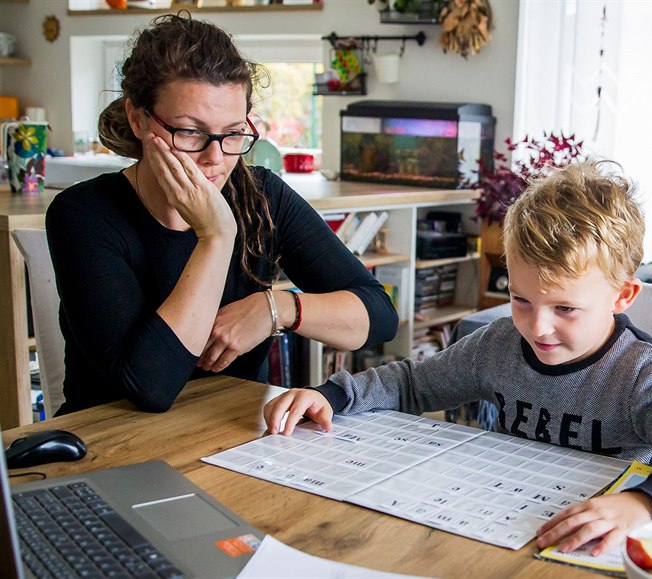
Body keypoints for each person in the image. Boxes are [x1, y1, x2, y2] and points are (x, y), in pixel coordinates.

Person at [263, 161, 652, 555]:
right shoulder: (499, 345)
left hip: (592, 541)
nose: (537, 326)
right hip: (496, 518)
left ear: (623, 296)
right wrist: (330, 393)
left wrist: (645, 502)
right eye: (521, 299)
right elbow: (412, 384)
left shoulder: (643, 376)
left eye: (565, 308)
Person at [46, 14, 398, 415]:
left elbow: (378, 316)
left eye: (232, 133)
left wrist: (276, 309)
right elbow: (150, 389)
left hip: (232, 436)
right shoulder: (84, 214)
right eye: (190, 132)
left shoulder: (262, 195)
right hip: (114, 445)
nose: (215, 158)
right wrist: (215, 235)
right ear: (139, 118)